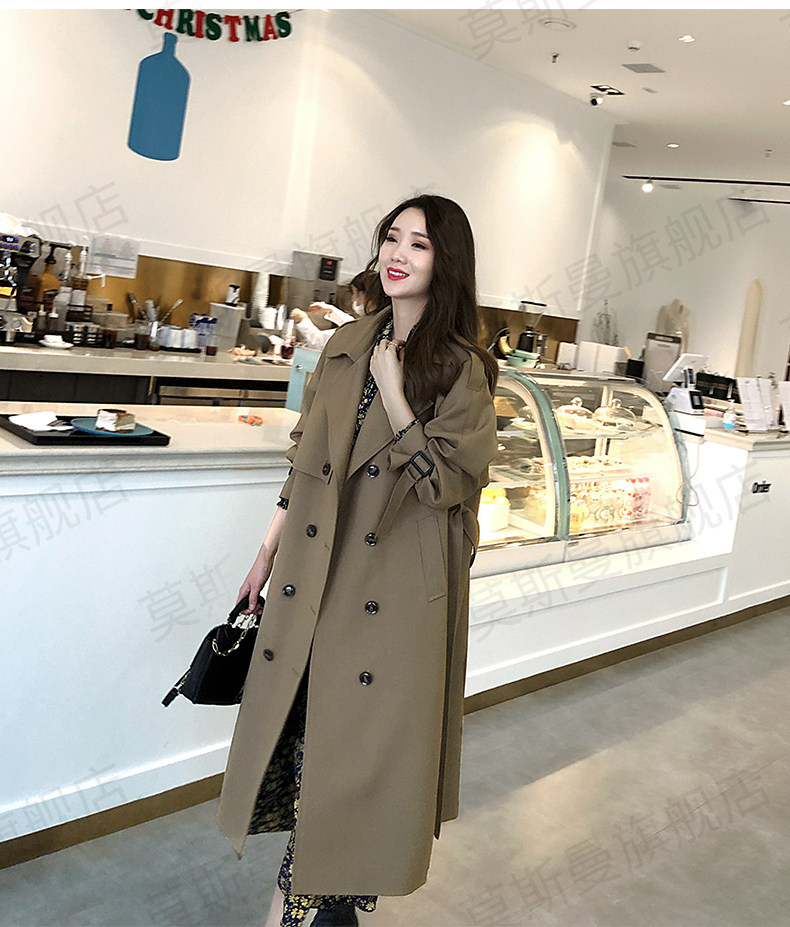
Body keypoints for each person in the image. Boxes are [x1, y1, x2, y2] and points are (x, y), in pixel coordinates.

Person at [216, 194, 499, 927]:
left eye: (420, 244)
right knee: (308, 739)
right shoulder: (346, 344)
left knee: (350, 754)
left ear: (447, 262)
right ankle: (328, 903)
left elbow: (446, 485)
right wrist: (265, 552)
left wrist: (399, 396)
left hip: (392, 591)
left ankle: (302, 905)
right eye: (392, 237)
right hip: (319, 571)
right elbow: (305, 459)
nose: (398, 254)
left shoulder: (462, 369)